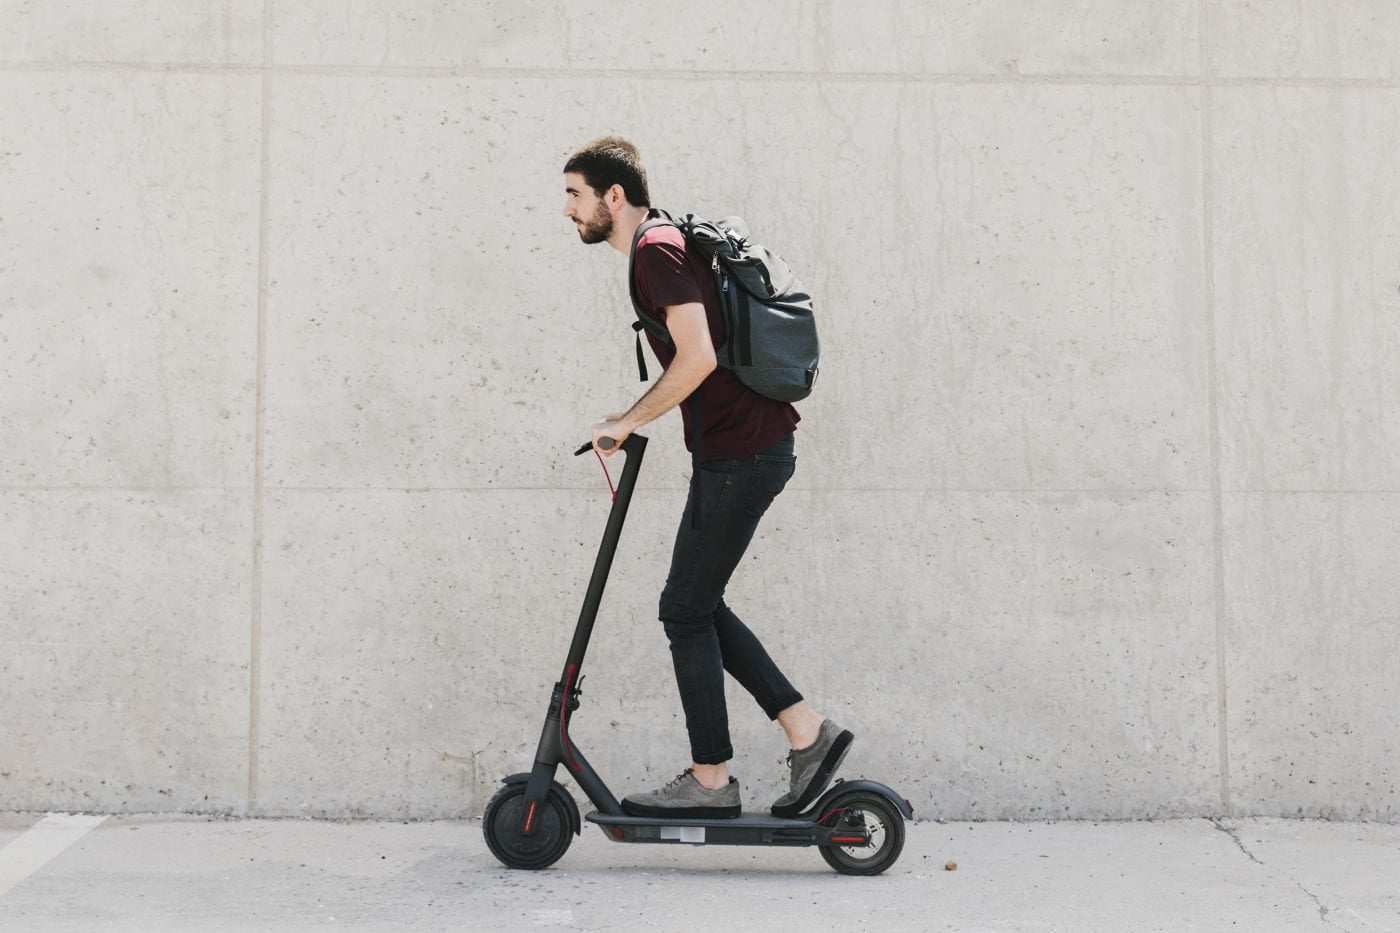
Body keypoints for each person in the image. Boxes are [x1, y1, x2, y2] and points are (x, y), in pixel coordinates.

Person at [561, 136, 852, 819]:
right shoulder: (663, 245)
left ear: (613, 195)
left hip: (742, 453)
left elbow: (696, 358)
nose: (566, 209)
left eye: (575, 194)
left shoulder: (656, 251)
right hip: (741, 450)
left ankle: (713, 778)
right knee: (699, 603)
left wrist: (629, 420)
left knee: (685, 608)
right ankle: (807, 732)